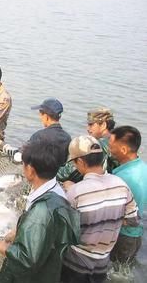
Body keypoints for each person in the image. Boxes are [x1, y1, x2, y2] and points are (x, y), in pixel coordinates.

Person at [0, 139, 80, 283]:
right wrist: (20, 231)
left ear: (30, 170)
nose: (22, 170)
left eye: (24, 166)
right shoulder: (58, 194)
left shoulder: (42, 211)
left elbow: (26, 259)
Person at [61, 135, 139, 283]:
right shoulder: (121, 184)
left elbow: (63, 231)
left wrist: (70, 189)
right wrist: (108, 220)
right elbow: (133, 220)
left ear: (81, 161)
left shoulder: (76, 192)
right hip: (102, 264)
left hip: (75, 265)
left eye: (75, 163)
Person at [0, 98, 71, 165]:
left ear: (46, 116)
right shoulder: (67, 138)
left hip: (41, 176)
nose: (40, 118)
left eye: (41, 114)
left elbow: (19, 156)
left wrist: (2, 145)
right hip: (55, 177)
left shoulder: (40, 136)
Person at [109, 126, 147, 263]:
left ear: (124, 150)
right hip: (136, 236)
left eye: (111, 146)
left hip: (122, 236)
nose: (109, 150)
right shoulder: (143, 168)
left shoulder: (122, 178)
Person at [86, 107, 120, 172]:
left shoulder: (98, 145)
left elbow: (69, 172)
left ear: (103, 125)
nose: (87, 128)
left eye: (91, 124)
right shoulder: (120, 139)